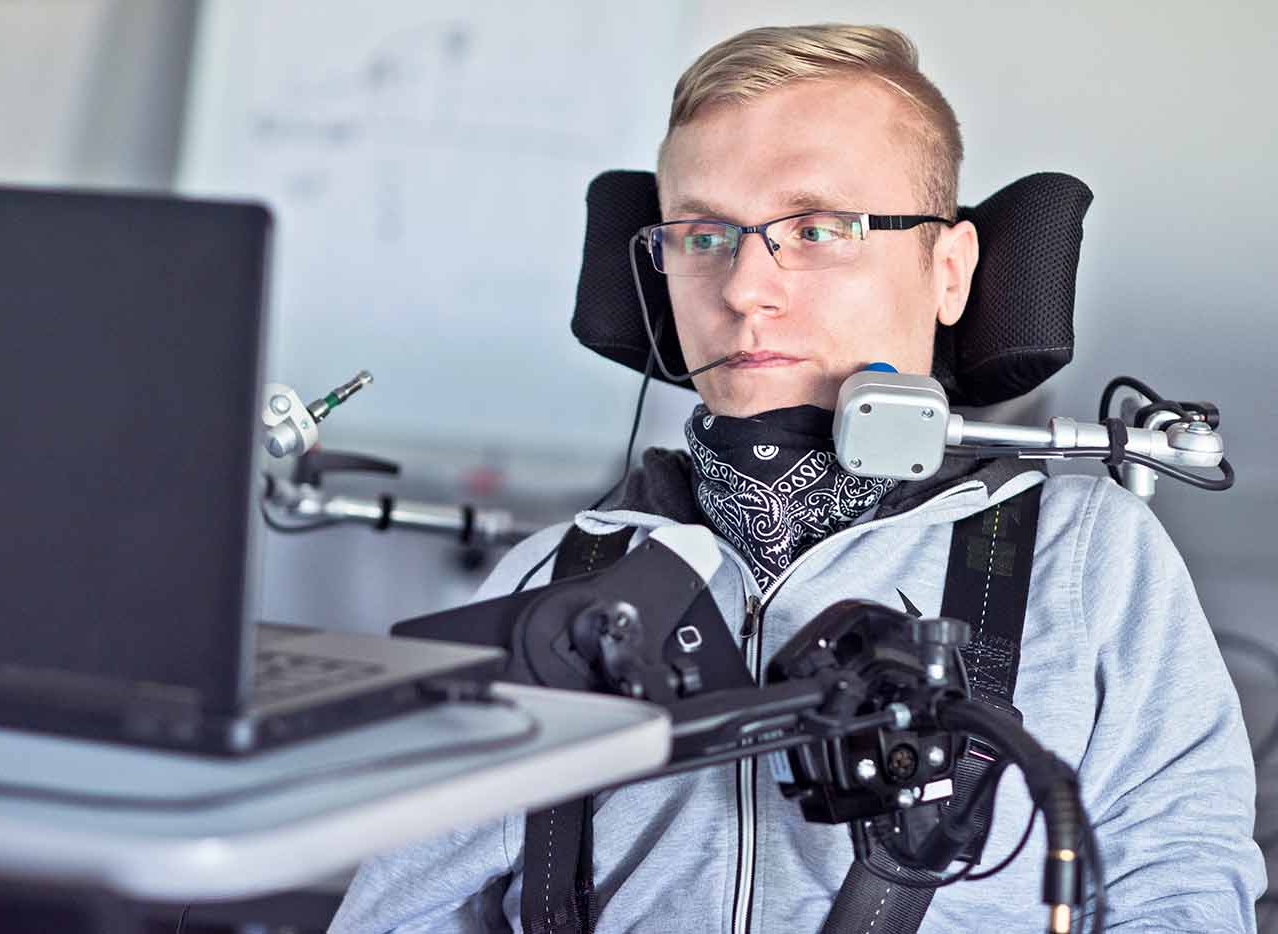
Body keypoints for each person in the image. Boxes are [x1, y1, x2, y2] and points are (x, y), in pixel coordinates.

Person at [330, 23, 1265, 932]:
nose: (742, 289)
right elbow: (401, 909)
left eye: (818, 229)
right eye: (701, 236)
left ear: (950, 271)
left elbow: (1178, 884)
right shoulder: (553, 579)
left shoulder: (1089, 554)